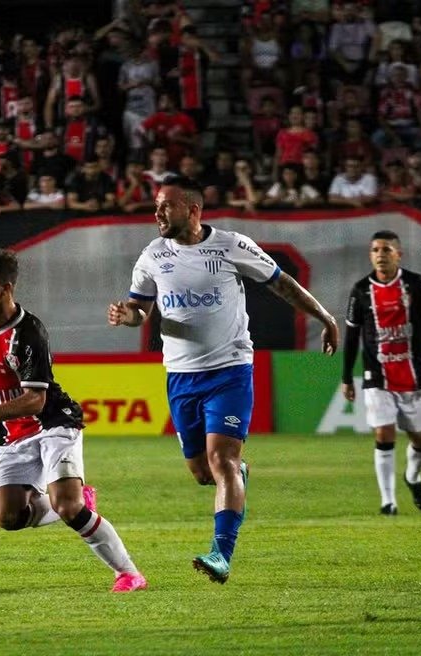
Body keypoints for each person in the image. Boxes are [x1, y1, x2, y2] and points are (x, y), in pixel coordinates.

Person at [106, 176, 339, 584]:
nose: (157, 213)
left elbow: (281, 284)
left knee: (222, 460)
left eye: (167, 205)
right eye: (157, 205)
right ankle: (236, 477)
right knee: (201, 471)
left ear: (194, 210)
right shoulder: (152, 256)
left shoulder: (231, 245)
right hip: (180, 376)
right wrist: (129, 317)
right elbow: (140, 308)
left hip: (230, 370)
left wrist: (325, 317)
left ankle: (221, 553)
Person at [0, 248, 148, 594]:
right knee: (7, 516)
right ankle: (76, 498)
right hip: (12, 436)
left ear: (5, 288)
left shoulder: (29, 332)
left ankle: (129, 574)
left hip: (53, 424)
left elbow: (35, 399)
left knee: (68, 507)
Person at [342, 230, 421, 516]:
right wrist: (346, 377)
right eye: (375, 249)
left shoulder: (415, 284)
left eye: (387, 250)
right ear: (371, 255)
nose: (380, 254)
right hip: (376, 374)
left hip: (412, 373)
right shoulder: (360, 290)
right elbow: (351, 336)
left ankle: (413, 478)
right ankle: (388, 502)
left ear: (398, 255)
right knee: (384, 432)